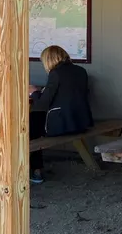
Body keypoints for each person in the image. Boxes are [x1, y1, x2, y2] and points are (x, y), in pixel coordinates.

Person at [28, 45, 93, 184]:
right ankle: (35, 169)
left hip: (63, 126)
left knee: (30, 124)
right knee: (34, 120)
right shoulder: (80, 70)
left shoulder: (56, 73)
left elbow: (42, 104)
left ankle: (36, 170)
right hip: (81, 123)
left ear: (49, 59)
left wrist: (34, 92)